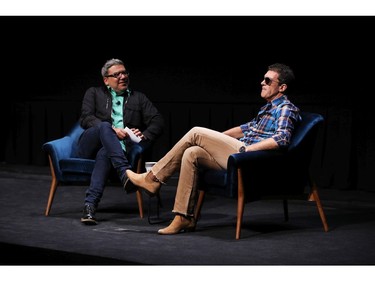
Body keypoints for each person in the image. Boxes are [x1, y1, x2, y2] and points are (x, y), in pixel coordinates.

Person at [125, 63, 301, 235]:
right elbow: (244, 129)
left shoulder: (286, 108)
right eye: (263, 79)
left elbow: (282, 138)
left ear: (282, 87)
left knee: (196, 132)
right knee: (191, 152)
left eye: (268, 80)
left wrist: (247, 150)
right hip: (240, 153)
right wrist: (214, 138)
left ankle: (153, 178)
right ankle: (183, 217)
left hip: (249, 157)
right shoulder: (267, 109)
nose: (262, 82)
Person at [78, 58, 164, 225]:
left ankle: (89, 207)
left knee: (105, 153)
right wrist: (111, 130)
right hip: (89, 144)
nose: (123, 76)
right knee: (104, 125)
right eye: (117, 74)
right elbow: (86, 118)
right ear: (106, 80)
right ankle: (125, 174)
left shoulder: (138, 98)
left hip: (115, 150)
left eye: (124, 73)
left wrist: (144, 134)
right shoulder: (94, 93)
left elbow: (158, 120)